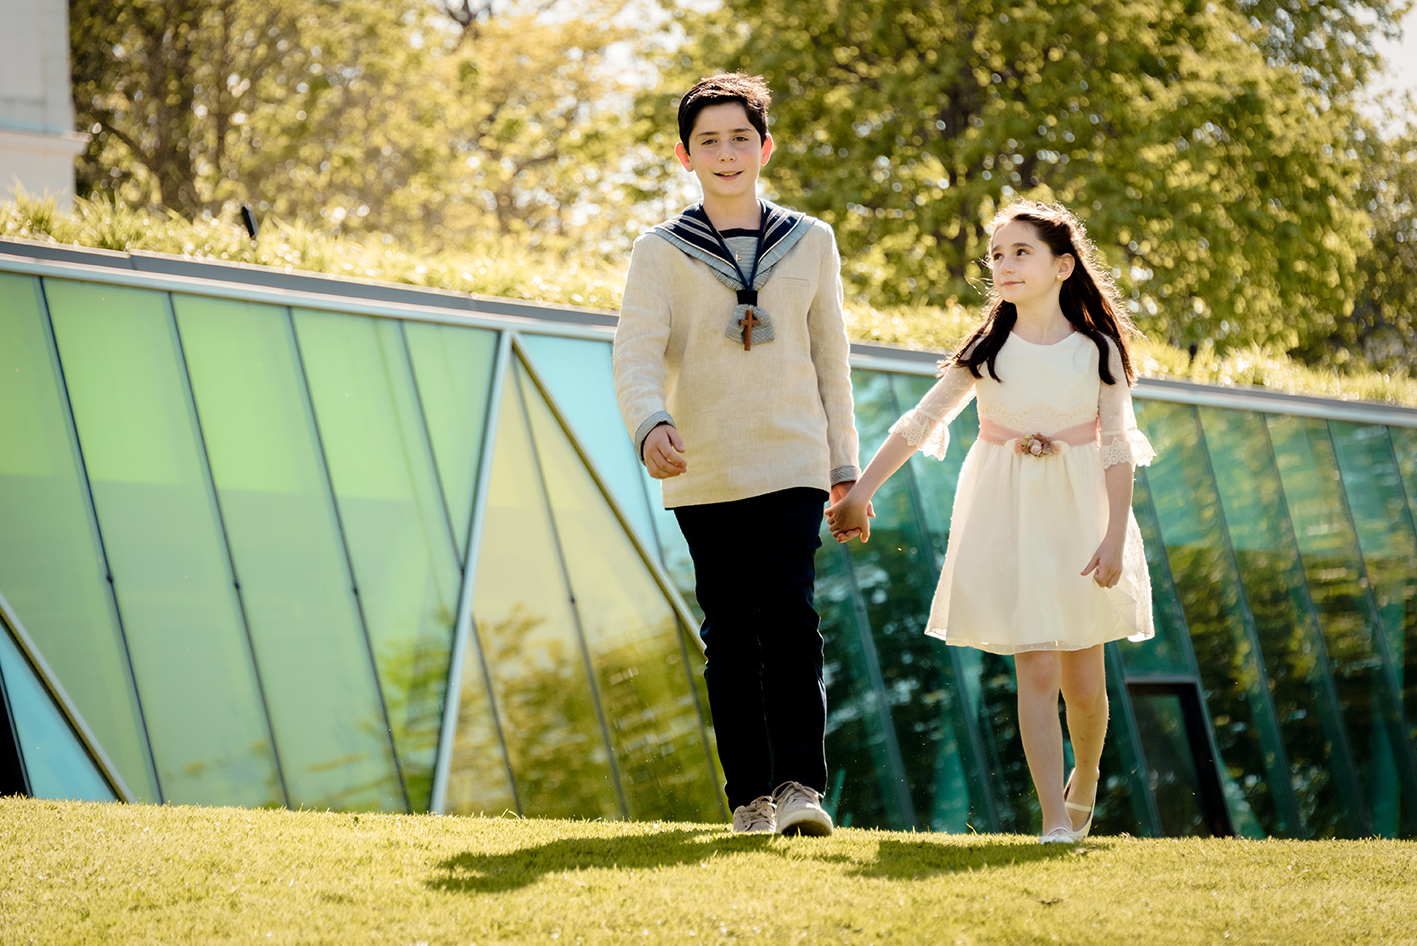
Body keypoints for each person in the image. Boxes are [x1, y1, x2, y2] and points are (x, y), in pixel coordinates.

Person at [825, 200, 1155, 844]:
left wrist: (1114, 535)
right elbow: (921, 423)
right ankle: (1053, 819)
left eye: (1020, 253)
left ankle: (1084, 775)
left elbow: (1117, 446)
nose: (1003, 265)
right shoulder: (986, 349)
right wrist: (860, 493)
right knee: (1033, 667)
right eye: (996, 255)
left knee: (1084, 683)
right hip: (1007, 516)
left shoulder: (1099, 349)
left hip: (1080, 518)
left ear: (1063, 266)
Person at [613, 73, 861, 835]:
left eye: (740, 138)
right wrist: (651, 422)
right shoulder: (659, 251)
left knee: (789, 615)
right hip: (705, 464)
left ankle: (799, 791)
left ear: (766, 147)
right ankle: (749, 797)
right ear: (685, 156)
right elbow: (635, 354)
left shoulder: (809, 241)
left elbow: (831, 360)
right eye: (709, 141)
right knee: (729, 629)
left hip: (790, 457)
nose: (726, 153)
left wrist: (844, 467)